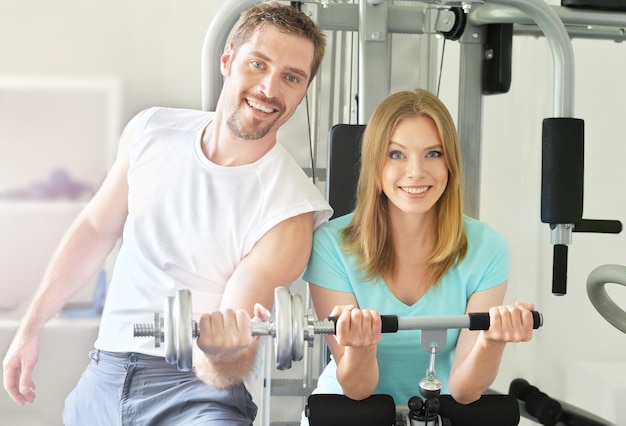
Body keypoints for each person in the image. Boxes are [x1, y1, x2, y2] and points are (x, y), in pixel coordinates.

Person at [3, 2, 332, 425]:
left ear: (303, 90)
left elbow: (226, 361)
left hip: (195, 396)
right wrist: (30, 328)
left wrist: (220, 353)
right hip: (103, 376)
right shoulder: (151, 130)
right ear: (228, 59)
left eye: (291, 77)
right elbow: (95, 228)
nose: (270, 89)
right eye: (258, 63)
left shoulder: (290, 211)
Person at [303, 89, 536, 411]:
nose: (416, 172)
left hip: (435, 411)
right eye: (397, 154)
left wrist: (493, 340)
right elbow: (356, 389)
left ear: (450, 162)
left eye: (433, 154)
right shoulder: (331, 244)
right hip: (348, 411)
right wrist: (360, 347)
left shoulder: (487, 248)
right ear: (375, 164)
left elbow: (465, 392)